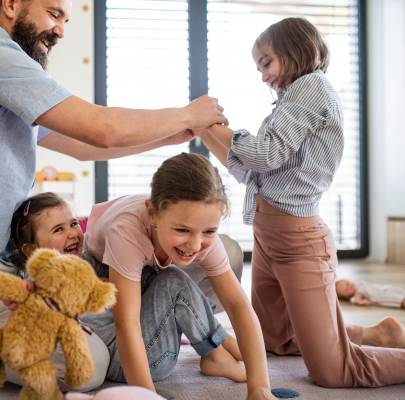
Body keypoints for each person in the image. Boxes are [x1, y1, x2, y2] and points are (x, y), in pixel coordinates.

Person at [0, 0, 230, 393]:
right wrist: (186, 113)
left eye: (65, 20)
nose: (60, 30)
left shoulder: (9, 78)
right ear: (10, 4)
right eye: (53, 14)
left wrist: (173, 135)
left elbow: (88, 147)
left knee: (84, 324)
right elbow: (102, 129)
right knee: (89, 365)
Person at [196, 17, 405, 388]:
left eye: (267, 62)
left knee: (334, 371)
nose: (263, 76)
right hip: (268, 236)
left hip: (298, 242)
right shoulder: (291, 99)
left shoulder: (311, 87)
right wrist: (202, 129)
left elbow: (264, 154)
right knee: (274, 339)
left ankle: (371, 347)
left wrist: (213, 126)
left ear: (294, 51)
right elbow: (253, 173)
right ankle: (375, 333)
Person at [79, 153, 276, 399]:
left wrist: (260, 389)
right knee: (173, 281)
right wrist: (146, 396)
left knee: (174, 279)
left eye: (209, 231)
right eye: (182, 230)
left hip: (142, 284)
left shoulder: (198, 232)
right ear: (152, 215)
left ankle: (214, 352)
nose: (195, 244)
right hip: (118, 344)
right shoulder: (127, 232)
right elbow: (126, 322)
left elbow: (238, 305)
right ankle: (217, 346)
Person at [336, 279, 405, 309]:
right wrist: (359, 301)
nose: (349, 287)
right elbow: (357, 299)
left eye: (347, 284)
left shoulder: (359, 285)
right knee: (399, 300)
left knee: (400, 293)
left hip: (384, 290)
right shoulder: (358, 293)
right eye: (346, 290)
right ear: (347, 297)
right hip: (383, 296)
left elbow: (359, 294)